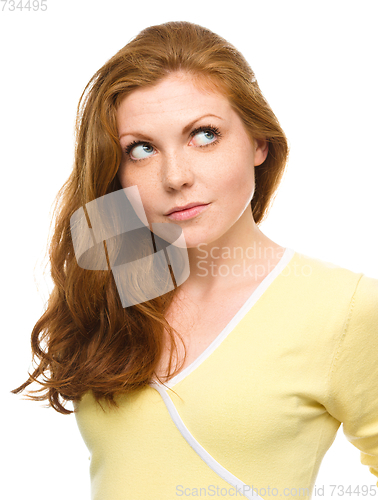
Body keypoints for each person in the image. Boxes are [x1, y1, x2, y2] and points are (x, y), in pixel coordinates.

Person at [12, 21, 378, 500]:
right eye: (141, 149)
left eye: (204, 135)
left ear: (259, 143)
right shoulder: (121, 271)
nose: (175, 176)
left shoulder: (346, 307)